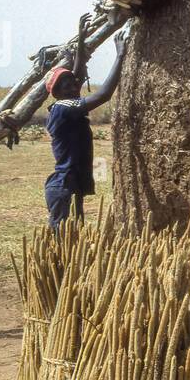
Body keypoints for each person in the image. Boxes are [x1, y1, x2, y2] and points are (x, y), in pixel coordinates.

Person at [43, 14, 126, 230]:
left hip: (73, 184)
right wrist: (120, 56)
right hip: (63, 187)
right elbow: (103, 95)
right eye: (67, 85)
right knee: (63, 239)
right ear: (57, 93)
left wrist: (81, 37)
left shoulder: (67, 103)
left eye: (73, 83)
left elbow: (78, 73)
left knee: (75, 233)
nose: (74, 86)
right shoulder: (63, 108)